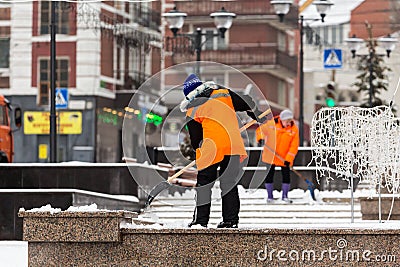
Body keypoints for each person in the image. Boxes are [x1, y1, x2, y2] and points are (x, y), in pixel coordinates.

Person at [180, 73, 265, 228]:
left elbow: (195, 139)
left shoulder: (192, 109)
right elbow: (247, 100)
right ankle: (230, 220)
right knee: (229, 184)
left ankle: (200, 221)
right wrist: (256, 114)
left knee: (204, 184)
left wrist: (198, 151)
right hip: (233, 145)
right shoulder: (222, 93)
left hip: (211, 148)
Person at [259, 109, 299, 203]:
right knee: (269, 175)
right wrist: (261, 138)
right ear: (281, 120)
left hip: (284, 158)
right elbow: (260, 131)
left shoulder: (293, 130)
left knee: (286, 176)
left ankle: (285, 196)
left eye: (290, 121)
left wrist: (288, 159)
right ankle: (270, 197)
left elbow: (294, 146)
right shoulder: (271, 124)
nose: (288, 123)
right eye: (286, 121)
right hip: (271, 155)